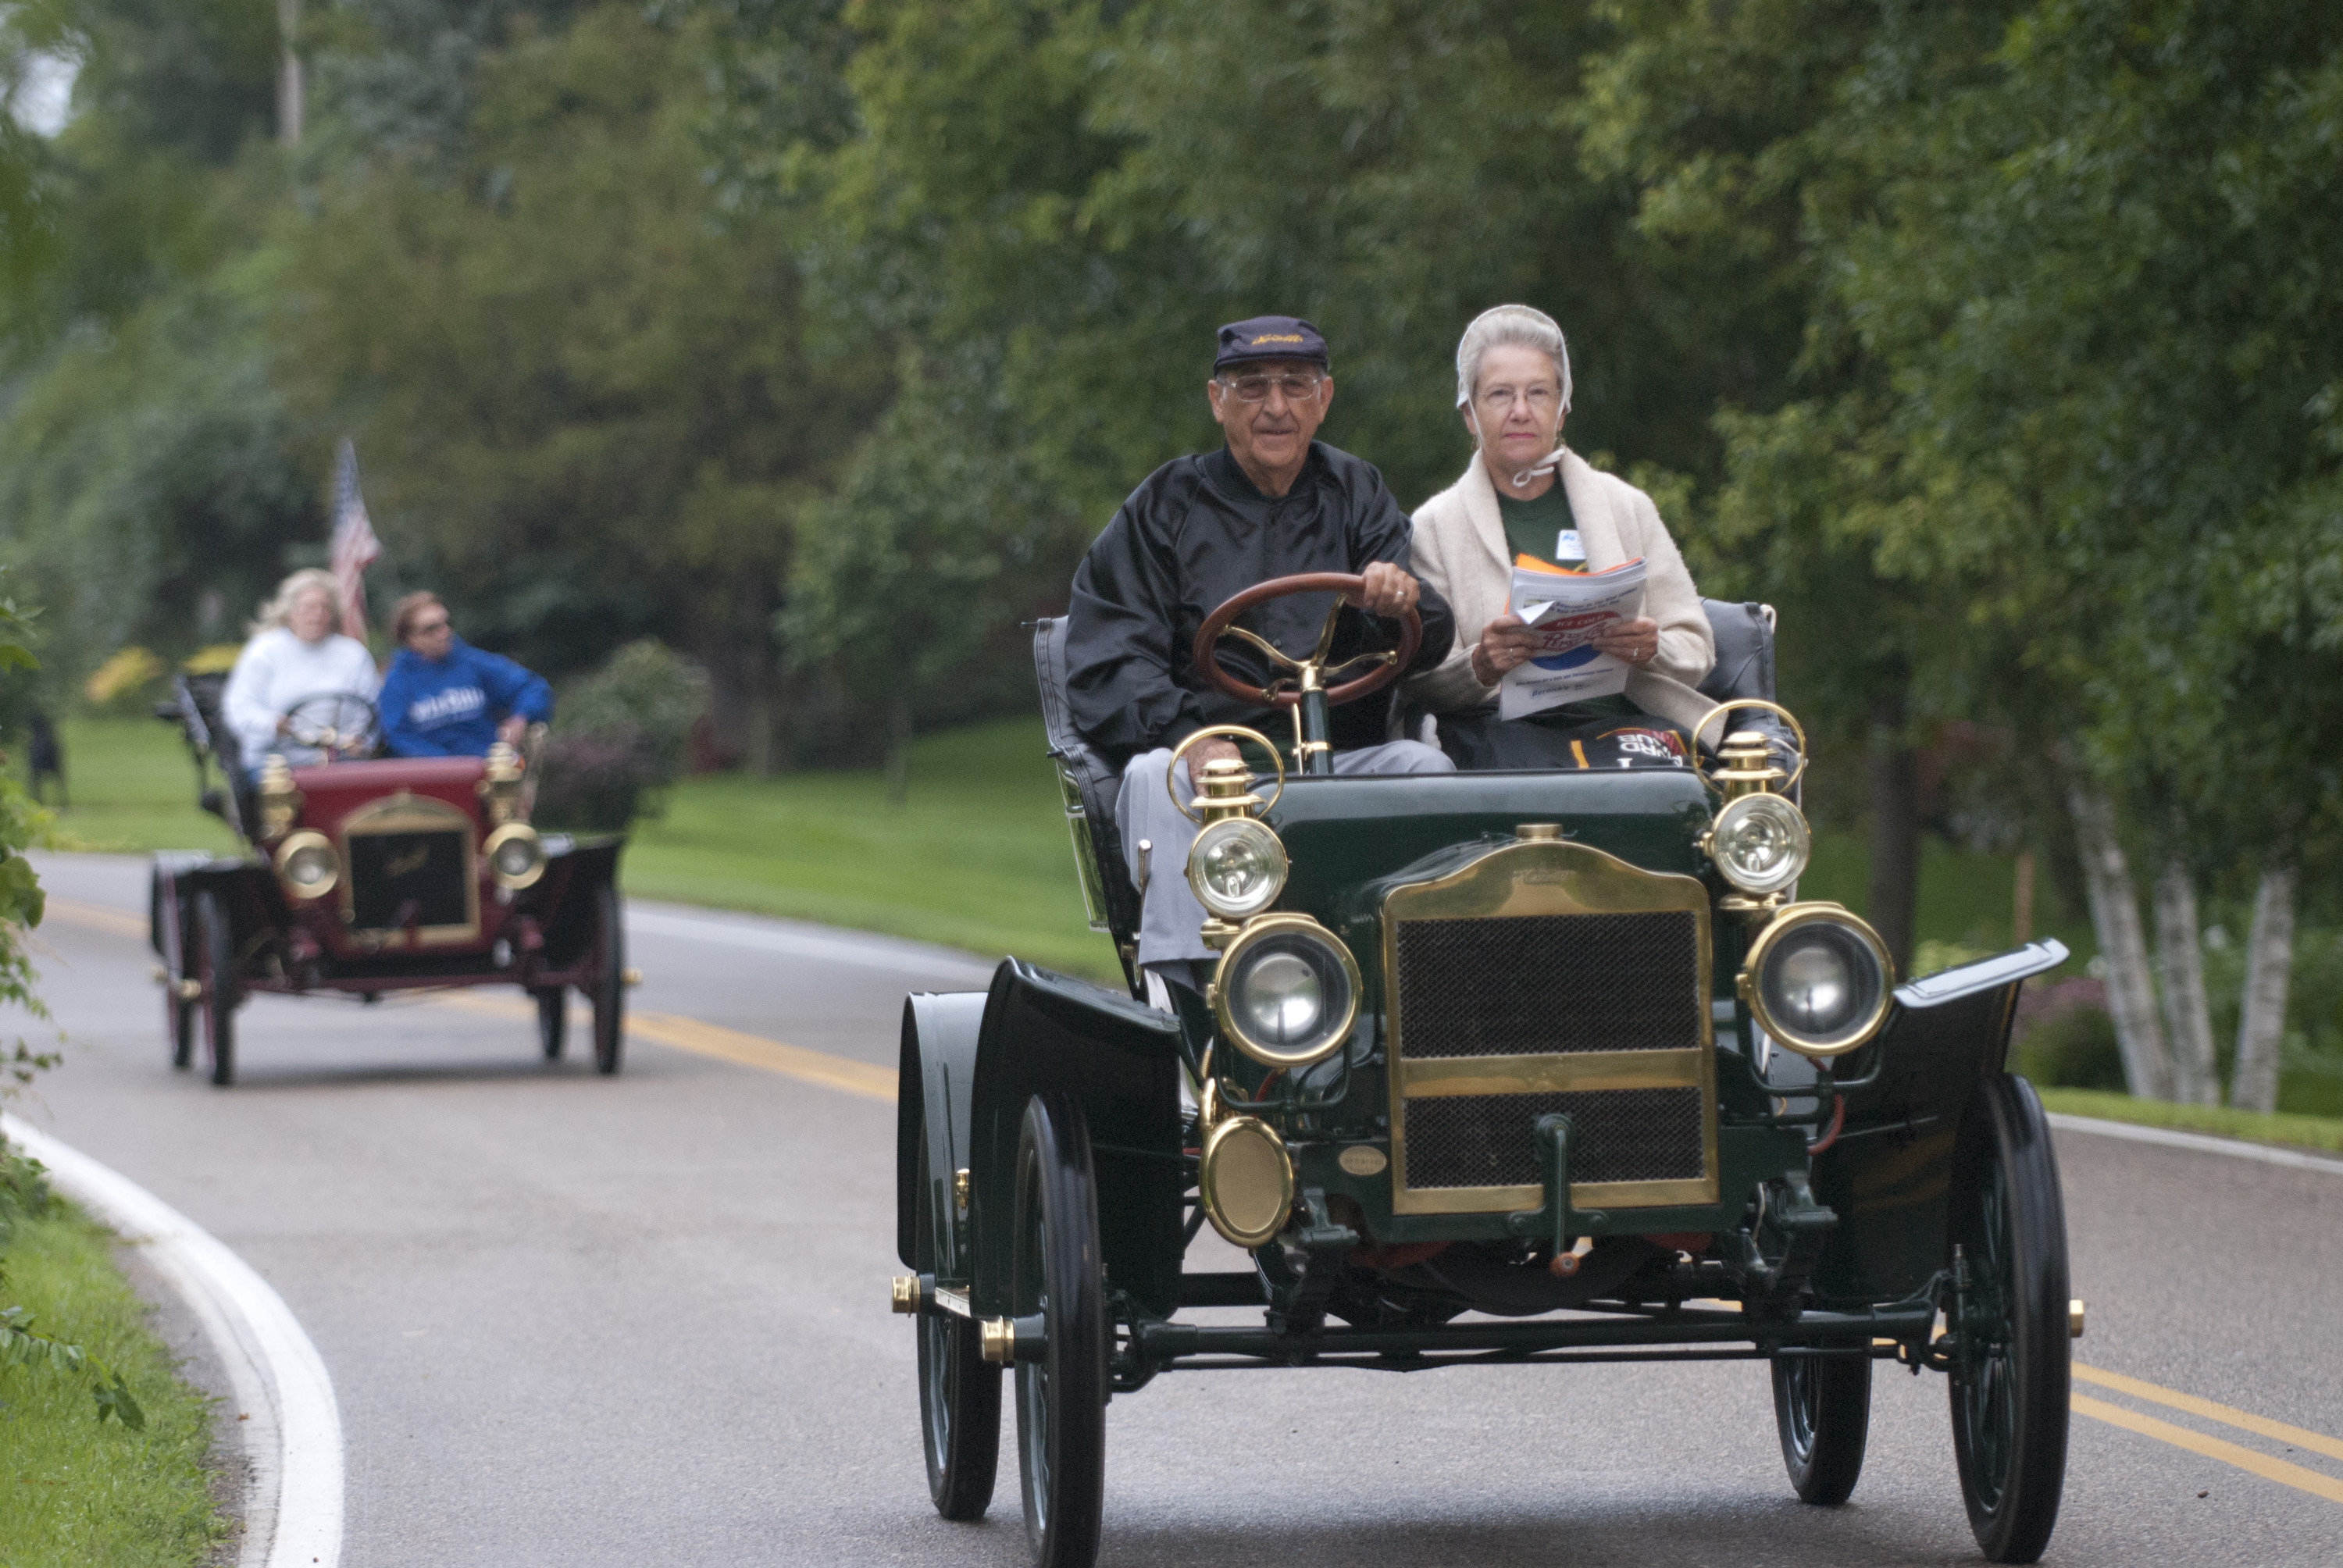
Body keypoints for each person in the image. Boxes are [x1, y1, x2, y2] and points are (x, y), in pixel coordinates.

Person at [1067, 315, 1457, 981]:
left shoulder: (1357, 492)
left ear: (1323, 399)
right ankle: (1187, 1001)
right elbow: (1110, 656)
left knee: (1426, 772)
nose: (1276, 407)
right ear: (1217, 401)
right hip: (1210, 768)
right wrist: (1192, 738)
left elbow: (1425, 634)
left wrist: (1397, 606)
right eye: (1252, 388)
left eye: (1295, 385)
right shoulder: (1164, 507)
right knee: (1149, 776)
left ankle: (1418, 988)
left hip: (1342, 759)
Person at [1403, 305, 1718, 769]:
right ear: (1469, 414)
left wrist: (1653, 649)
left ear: (1562, 409)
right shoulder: (1433, 527)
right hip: (1501, 737)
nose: (1520, 411)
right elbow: (1418, 681)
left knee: (1682, 797)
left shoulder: (1626, 506)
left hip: (1628, 735)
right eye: (1499, 395)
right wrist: (1481, 665)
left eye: (1538, 393)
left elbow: (1697, 649)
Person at [220, 568, 381, 772]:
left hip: (343, 761)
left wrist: (359, 739)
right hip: (276, 763)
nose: (317, 616)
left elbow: (371, 707)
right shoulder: (264, 650)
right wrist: (273, 725)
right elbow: (240, 706)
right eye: (309, 607)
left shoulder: (353, 654)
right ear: (290, 612)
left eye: (325, 608)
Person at [376, 593, 553, 757]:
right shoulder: (398, 681)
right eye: (431, 629)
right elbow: (399, 737)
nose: (444, 633)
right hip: (431, 780)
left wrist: (520, 718)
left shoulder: (473, 663)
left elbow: (532, 687)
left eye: (447, 623)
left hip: (487, 767)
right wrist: (448, 767)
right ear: (411, 638)